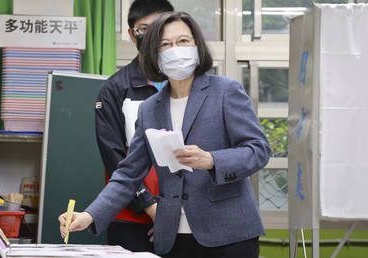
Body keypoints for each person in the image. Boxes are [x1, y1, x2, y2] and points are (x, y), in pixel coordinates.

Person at [59, 11, 271, 258]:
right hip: (172, 237)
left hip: (229, 235)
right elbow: (128, 173)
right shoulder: (150, 108)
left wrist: (212, 160)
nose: (175, 50)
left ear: (197, 46)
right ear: (154, 54)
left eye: (183, 41)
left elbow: (259, 150)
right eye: (165, 44)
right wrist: (89, 215)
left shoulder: (225, 91)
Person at [93, 0, 173, 253]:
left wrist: (173, 213)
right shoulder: (114, 90)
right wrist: (151, 207)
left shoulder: (191, 85)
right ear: (131, 34)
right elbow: (114, 157)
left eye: (161, 26)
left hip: (186, 216)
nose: (153, 36)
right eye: (144, 28)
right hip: (132, 217)